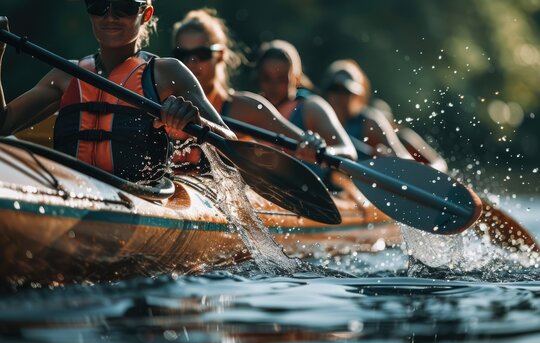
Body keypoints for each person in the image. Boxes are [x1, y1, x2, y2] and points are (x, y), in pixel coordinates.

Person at [0, 0, 236, 182]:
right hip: (68, 190)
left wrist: (198, 122)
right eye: (99, 5)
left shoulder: (167, 72)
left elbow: (231, 146)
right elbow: (3, 126)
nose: (110, 16)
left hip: (140, 197)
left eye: (124, 6)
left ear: (146, 14)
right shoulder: (66, 74)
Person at [170, 9, 327, 166]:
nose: (191, 62)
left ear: (220, 55)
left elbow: (302, 142)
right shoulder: (162, 102)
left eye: (201, 54)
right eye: (182, 54)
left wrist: (312, 145)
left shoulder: (246, 109)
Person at [321, 59, 448, 172]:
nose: (339, 97)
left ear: (358, 96)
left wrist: (390, 160)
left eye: (345, 92)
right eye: (334, 89)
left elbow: (404, 161)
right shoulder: (319, 117)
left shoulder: (370, 123)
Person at [255, 40, 357, 161]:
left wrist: (323, 152)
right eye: (267, 78)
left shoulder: (312, 108)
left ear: (296, 78)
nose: (273, 86)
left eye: (281, 79)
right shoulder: (249, 107)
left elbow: (349, 151)